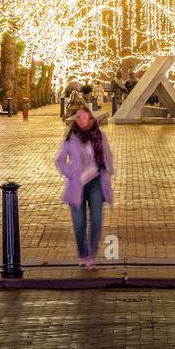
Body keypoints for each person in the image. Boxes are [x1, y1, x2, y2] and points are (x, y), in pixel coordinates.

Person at [55, 106, 114, 270]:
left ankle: (91, 255)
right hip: (77, 185)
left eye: (82, 116)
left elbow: (108, 156)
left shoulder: (100, 136)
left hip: (96, 182)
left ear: (90, 117)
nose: (79, 119)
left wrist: (108, 172)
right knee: (79, 223)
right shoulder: (71, 137)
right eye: (77, 117)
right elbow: (60, 160)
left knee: (96, 220)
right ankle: (82, 254)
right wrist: (71, 173)